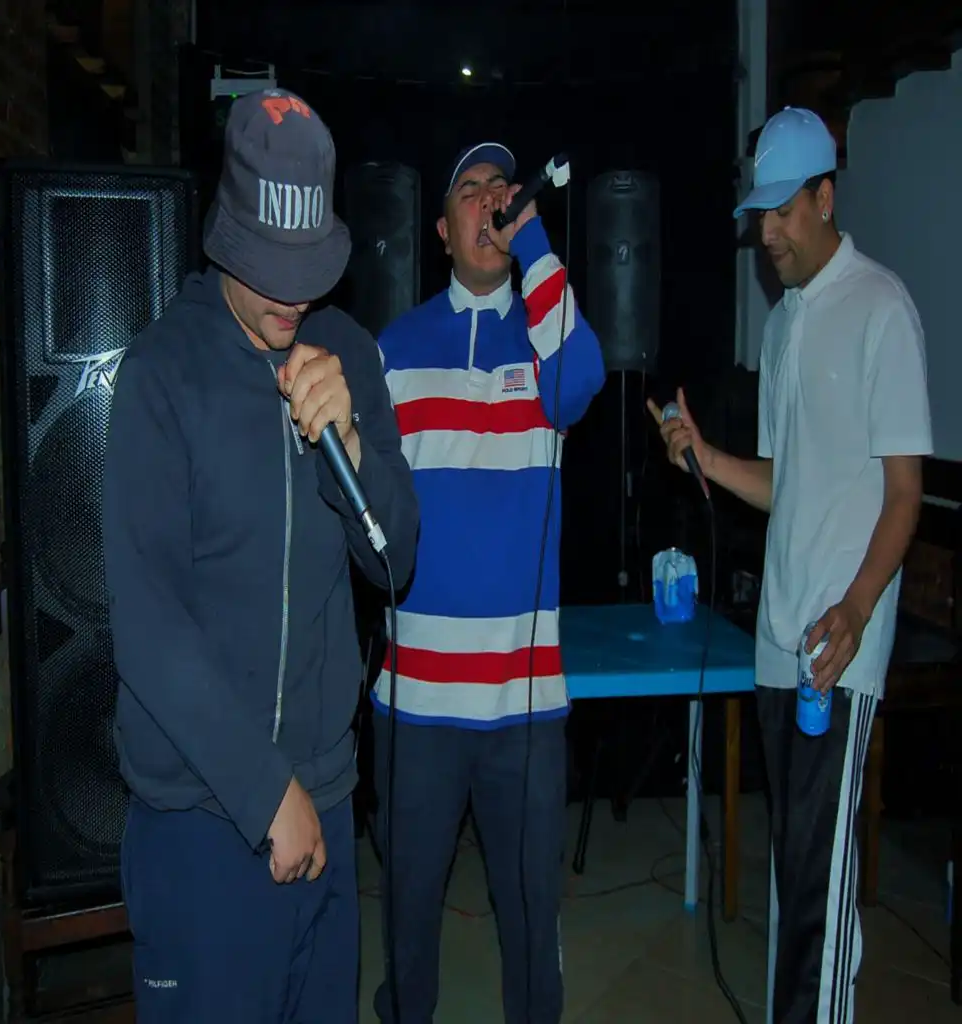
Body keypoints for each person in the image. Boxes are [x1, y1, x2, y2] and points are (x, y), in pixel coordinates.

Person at [102, 88, 419, 1023]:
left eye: (307, 268)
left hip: (328, 798)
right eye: (267, 266)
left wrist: (350, 446)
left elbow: (397, 561)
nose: (291, 296)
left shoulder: (347, 353)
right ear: (224, 232)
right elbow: (147, 625)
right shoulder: (162, 373)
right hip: (201, 816)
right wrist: (263, 789)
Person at [649, 107, 931, 1022]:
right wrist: (705, 456)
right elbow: (785, 482)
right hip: (779, 636)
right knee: (793, 875)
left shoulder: (881, 307)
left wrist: (856, 609)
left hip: (838, 645)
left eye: (782, 211)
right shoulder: (780, 326)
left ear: (825, 197)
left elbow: (904, 493)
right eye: (758, 214)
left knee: (821, 887)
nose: (765, 233)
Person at [371, 142, 606, 1024]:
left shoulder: (548, 338)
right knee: (407, 922)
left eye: (499, 190)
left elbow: (584, 378)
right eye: (468, 192)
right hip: (416, 705)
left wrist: (534, 241)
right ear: (441, 229)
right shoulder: (395, 349)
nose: (488, 202)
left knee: (531, 923)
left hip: (523, 707)